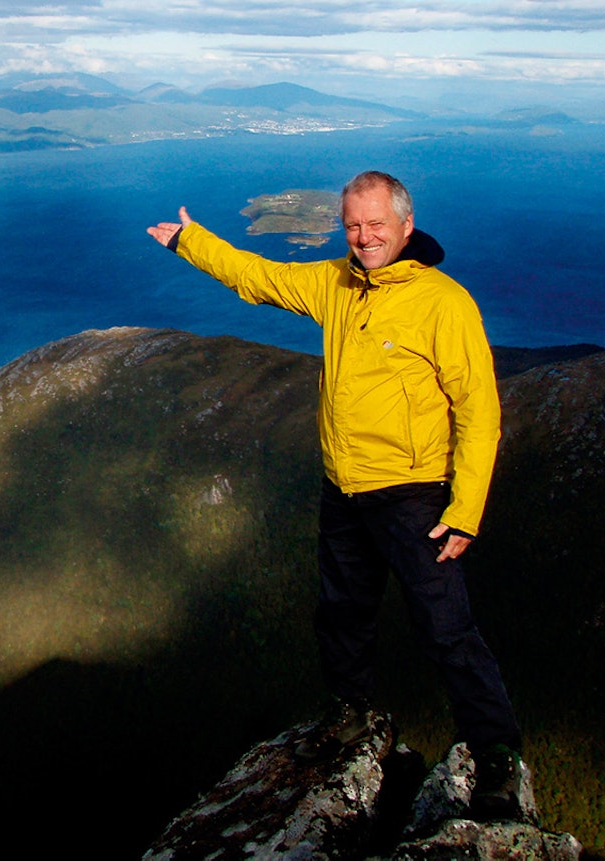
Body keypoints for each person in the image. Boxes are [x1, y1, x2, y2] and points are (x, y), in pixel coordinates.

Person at [148, 171, 523, 817]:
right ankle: (354, 719)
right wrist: (191, 241)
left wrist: (465, 511)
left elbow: (479, 411)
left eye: (377, 224)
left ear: (406, 226)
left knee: (447, 629)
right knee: (342, 614)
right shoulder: (337, 283)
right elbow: (260, 279)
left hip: (414, 494)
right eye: (353, 224)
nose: (364, 236)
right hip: (344, 486)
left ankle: (495, 758)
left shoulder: (443, 301)